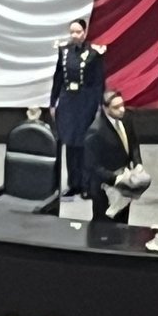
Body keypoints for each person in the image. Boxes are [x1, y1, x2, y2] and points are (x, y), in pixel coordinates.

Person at [49, 17, 106, 197]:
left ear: (85, 33)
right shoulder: (64, 52)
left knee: (84, 144)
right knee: (70, 143)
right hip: (67, 101)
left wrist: (98, 105)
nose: (74, 35)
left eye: (78, 32)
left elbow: (98, 82)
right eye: (72, 32)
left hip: (85, 101)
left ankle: (87, 185)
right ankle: (73, 183)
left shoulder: (93, 53)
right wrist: (53, 102)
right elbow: (58, 78)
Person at [83, 89, 145, 223]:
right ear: (105, 108)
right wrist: (116, 178)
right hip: (104, 186)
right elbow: (92, 166)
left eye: (122, 105)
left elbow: (134, 143)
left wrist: (138, 163)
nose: (122, 110)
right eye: (116, 107)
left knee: (123, 221)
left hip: (124, 180)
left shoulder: (126, 118)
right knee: (104, 225)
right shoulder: (96, 131)